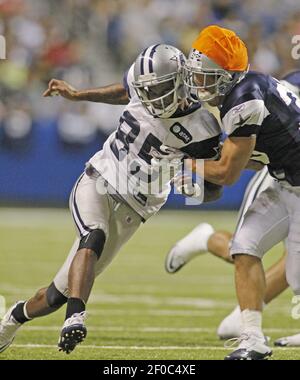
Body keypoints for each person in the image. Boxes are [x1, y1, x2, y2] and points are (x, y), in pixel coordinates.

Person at [0, 44, 223, 354]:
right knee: (93, 236)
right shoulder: (141, 88)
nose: (149, 96)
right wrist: (79, 95)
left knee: (54, 296)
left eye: (157, 88)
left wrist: (195, 188)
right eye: (145, 89)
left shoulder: (203, 129)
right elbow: (124, 91)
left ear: (179, 82)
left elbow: (217, 185)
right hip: (100, 180)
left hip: (135, 208)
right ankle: (75, 317)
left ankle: (11, 319)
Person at [182, 25, 300, 360]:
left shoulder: (245, 98)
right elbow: (252, 158)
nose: (197, 83)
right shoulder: (248, 88)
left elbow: (227, 174)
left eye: (204, 76)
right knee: (245, 247)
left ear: (224, 76)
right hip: (285, 180)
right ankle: (252, 339)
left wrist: (185, 162)